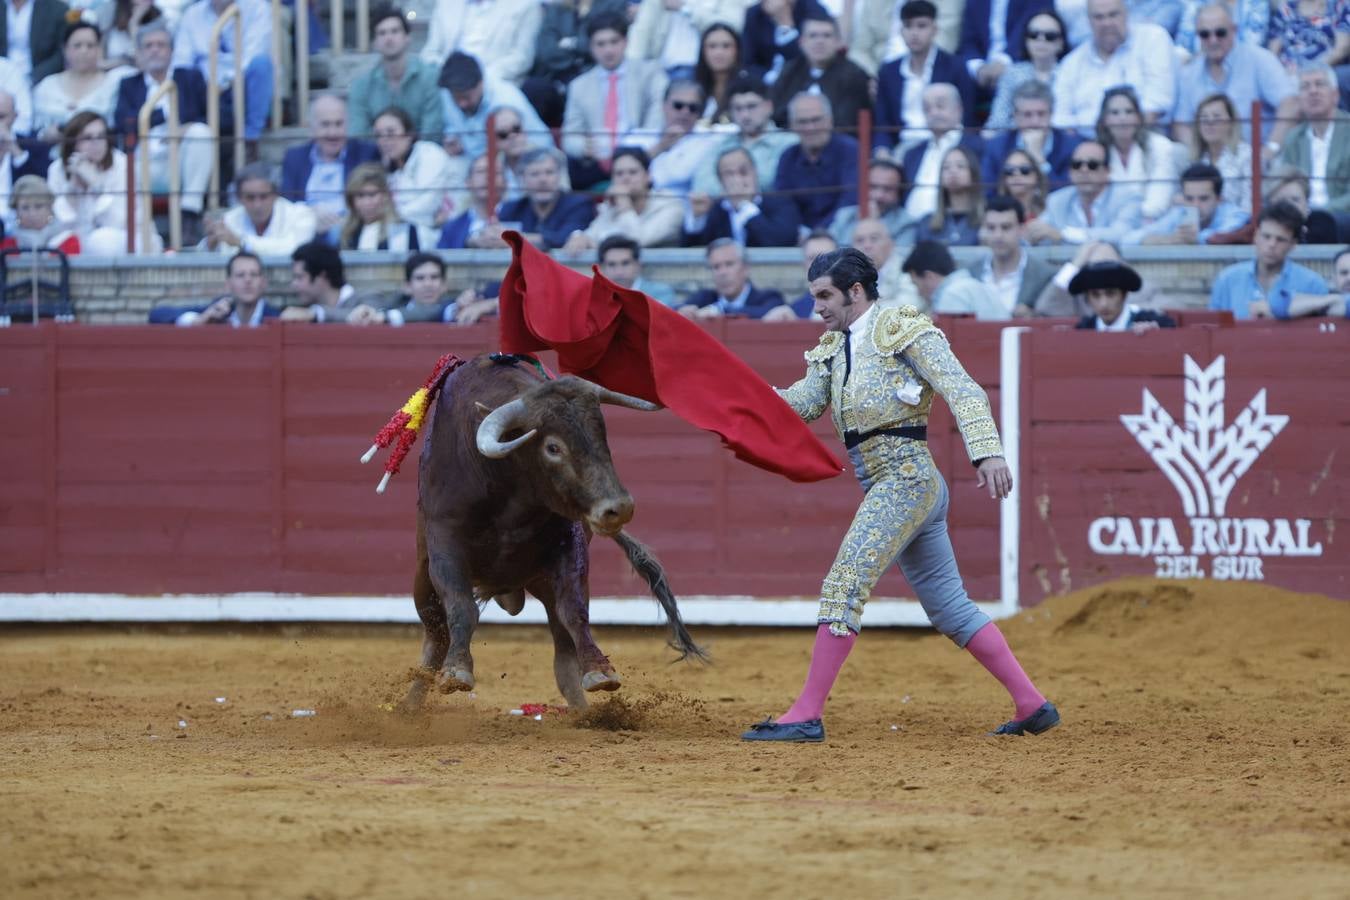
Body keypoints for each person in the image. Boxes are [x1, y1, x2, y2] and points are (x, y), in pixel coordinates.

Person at [741, 246, 1056, 743]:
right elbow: (799, 406)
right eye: (813, 297)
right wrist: (738, 398)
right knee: (951, 609)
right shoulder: (833, 347)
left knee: (845, 582)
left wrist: (988, 453)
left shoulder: (902, 328)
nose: (817, 307)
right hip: (897, 485)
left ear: (856, 291)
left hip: (905, 481)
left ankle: (806, 712)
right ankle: (1030, 702)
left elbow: (963, 388)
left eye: (825, 296)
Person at [112, 21, 213, 242]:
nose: (155, 50)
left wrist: (184, 129)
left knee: (201, 132)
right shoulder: (129, 85)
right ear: (139, 53)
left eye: (161, 44)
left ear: (171, 51)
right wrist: (161, 118)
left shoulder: (189, 78)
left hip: (182, 160)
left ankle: (188, 215)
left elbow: (214, 117)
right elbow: (123, 124)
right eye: (148, 46)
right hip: (144, 161)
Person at [560, 13, 668, 188]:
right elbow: (570, 136)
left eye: (614, 42)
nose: (608, 50)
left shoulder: (650, 73)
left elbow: (656, 120)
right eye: (600, 44)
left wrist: (633, 150)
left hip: (642, 155)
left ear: (625, 42)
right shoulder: (579, 86)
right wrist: (584, 147)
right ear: (591, 47)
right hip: (597, 160)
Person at [1171, 4, 1298, 151]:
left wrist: (1271, 148)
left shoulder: (1259, 59)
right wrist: (1198, 155)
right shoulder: (1189, 72)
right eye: (1205, 34)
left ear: (1234, 30)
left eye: (1220, 33)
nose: (1213, 40)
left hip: (1256, 159)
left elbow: (1290, 103)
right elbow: (1181, 124)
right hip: (1210, 163)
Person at [1052, 0, 1176, 136]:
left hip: (1145, 137)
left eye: (1113, 15)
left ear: (1127, 14)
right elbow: (1061, 119)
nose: (1106, 23)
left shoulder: (1153, 39)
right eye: (1099, 17)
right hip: (1088, 147)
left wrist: (1119, 140)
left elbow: (1157, 103)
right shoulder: (1072, 63)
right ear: (1088, 20)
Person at [871, 0, 977, 153]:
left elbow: (967, 117)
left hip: (947, 145)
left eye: (921, 26)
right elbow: (883, 123)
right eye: (908, 26)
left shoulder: (955, 67)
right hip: (902, 148)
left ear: (934, 29)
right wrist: (882, 151)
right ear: (901, 31)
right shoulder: (888, 72)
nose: (914, 33)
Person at [47, 110, 153, 253]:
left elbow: (116, 222)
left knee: (101, 240)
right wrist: (73, 187)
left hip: (133, 240)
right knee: (54, 245)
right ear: (73, 143)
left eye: (101, 136)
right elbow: (56, 226)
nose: (96, 143)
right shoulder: (57, 169)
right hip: (84, 240)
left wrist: (97, 185)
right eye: (88, 138)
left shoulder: (123, 165)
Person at [173, 0, 274, 142]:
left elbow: (254, 53)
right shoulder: (192, 14)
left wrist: (224, 83)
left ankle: (250, 139)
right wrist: (207, 84)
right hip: (205, 87)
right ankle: (192, 131)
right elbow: (182, 59)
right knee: (182, 73)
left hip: (239, 84)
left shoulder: (258, 7)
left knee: (262, 65)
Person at [279, 94, 380, 237]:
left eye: (339, 124)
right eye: (325, 124)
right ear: (312, 128)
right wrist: (309, 214)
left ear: (348, 125)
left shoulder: (365, 153)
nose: (333, 133)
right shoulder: (295, 157)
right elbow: (286, 203)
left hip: (351, 229)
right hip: (305, 229)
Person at [1210, 201, 1331, 319]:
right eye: (1266, 236)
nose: (1271, 244)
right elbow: (1213, 331)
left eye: (1280, 239)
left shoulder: (1312, 285)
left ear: (1293, 244)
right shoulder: (1227, 280)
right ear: (1256, 236)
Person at [520, 0, 629, 128]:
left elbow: (599, 43)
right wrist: (578, 53)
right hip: (558, 81)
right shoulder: (557, 9)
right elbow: (546, 51)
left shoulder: (613, 4)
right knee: (534, 88)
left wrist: (567, 44)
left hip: (592, 77)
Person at [690, 76, 799, 197]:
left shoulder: (789, 143)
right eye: (738, 108)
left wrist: (730, 189)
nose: (745, 115)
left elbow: (777, 183)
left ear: (769, 107)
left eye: (751, 106)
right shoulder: (722, 145)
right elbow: (701, 184)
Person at [347, 6, 444, 140]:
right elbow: (359, 136)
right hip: (377, 157)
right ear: (374, 43)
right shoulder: (361, 86)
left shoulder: (430, 78)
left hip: (421, 156)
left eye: (395, 31)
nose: (389, 38)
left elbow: (432, 133)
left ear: (407, 38)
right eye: (382, 33)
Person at [439, 51, 549, 166]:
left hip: (524, 164)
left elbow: (539, 148)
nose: (462, 104)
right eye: (456, 98)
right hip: (470, 162)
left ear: (481, 83)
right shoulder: (448, 92)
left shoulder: (505, 100)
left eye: (466, 97)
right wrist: (452, 138)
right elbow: (452, 126)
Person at [563, 146, 682, 253]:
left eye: (633, 172)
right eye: (619, 174)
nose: (626, 178)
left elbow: (638, 241)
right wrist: (580, 237)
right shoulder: (614, 206)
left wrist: (625, 206)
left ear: (648, 176)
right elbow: (593, 235)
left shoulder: (671, 205)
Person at [32, 20, 133, 142]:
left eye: (90, 45)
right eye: (77, 45)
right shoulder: (47, 86)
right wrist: (46, 134)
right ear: (65, 49)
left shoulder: (115, 83)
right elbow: (35, 130)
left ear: (99, 49)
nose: (83, 51)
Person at [1028, 138, 1143, 244]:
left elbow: (1121, 234)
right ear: (1070, 172)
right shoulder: (1057, 200)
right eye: (1077, 165)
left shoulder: (1129, 198)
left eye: (1092, 165)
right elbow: (1042, 234)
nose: (1084, 170)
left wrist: (1064, 235)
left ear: (1108, 171)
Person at [768, 13, 871, 131]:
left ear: (838, 42)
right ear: (801, 42)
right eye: (813, 36)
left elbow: (848, 121)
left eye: (826, 36)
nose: (820, 41)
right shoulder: (789, 71)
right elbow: (777, 114)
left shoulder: (854, 75)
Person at [372, 105, 457, 248]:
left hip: (440, 234)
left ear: (409, 134)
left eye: (391, 132)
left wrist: (390, 216)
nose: (384, 140)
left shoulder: (430, 154)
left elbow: (427, 206)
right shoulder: (385, 167)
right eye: (379, 135)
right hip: (401, 231)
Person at [683, 145, 801, 247]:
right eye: (729, 174)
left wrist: (745, 207)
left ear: (755, 173)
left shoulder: (781, 202)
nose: (738, 180)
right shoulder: (715, 209)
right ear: (720, 181)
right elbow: (691, 247)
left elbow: (782, 243)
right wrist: (697, 218)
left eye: (743, 172)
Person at [773, 92, 857, 229]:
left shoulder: (851, 151)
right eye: (802, 122)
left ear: (830, 121)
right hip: (798, 238)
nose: (810, 128)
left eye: (816, 120)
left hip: (841, 235)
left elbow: (849, 203)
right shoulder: (788, 157)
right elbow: (782, 204)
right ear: (792, 125)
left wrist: (818, 234)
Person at [963, 196, 1057, 318]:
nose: (998, 235)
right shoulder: (970, 273)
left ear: (1022, 229)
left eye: (1006, 227)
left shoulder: (1045, 275)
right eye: (991, 228)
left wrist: (1034, 316)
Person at [981, 79, 1081, 192]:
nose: (1035, 122)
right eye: (1027, 115)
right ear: (1015, 116)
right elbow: (989, 193)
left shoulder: (1071, 147)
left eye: (1041, 114)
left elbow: (1067, 196)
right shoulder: (997, 147)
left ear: (1051, 114)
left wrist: (1040, 161)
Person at [901, 83, 983, 221]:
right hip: (909, 227)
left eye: (940, 106)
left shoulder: (978, 147)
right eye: (927, 109)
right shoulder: (912, 154)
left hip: (957, 224)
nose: (933, 113)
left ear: (958, 110)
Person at [1276, 63, 1350, 214]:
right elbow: (1283, 186)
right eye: (1305, 87)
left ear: (1335, 95)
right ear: (1299, 100)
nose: (1313, 91)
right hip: (1299, 219)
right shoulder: (1293, 138)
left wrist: (1318, 214)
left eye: (1320, 84)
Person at [1096, 85, 1177, 221]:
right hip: (1111, 224)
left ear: (1139, 118)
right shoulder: (1097, 152)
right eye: (1115, 113)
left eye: (1129, 112)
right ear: (1105, 120)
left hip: (1153, 221)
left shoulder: (1160, 146)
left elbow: (1159, 196)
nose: (1122, 118)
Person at [202, 162, 317, 256]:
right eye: (250, 198)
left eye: (263, 196)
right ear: (239, 198)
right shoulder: (229, 220)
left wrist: (242, 243)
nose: (257, 205)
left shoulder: (301, 215)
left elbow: (295, 249)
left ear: (276, 194)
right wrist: (211, 245)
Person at [984, 8, 1069, 134]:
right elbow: (997, 122)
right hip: (1015, 145)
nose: (1041, 40)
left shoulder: (1070, 73)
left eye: (1049, 36)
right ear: (1026, 40)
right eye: (1034, 35)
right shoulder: (1012, 74)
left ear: (1061, 43)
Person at [418, 0, 542, 86]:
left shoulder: (525, 4)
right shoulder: (446, 4)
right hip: (447, 81)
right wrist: (450, 74)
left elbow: (522, 57)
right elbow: (430, 52)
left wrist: (478, 78)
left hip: (497, 82)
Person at [497, 147, 595, 251]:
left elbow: (565, 238)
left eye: (549, 172)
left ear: (559, 176)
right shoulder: (511, 209)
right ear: (522, 179)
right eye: (534, 174)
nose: (543, 180)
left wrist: (514, 238)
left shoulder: (579, 205)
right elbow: (498, 238)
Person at [149, 251, 281, 326]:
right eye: (240, 275)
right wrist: (197, 321)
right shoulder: (218, 311)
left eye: (254, 275)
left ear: (263, 283)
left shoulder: (276, 316)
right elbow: (157, 315)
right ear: (228, 284)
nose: (248, 280)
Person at [1127, 162, 1249, 244]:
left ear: (1219, 199)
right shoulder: (1180, 213)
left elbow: (1222, 237)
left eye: (1203, 198)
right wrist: (1169, 239)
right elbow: (1130, 239)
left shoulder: (1236, 216)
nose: (1195, 205)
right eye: (1189, 199)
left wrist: (1193, 238)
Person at [640, 80, 723, 196]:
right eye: (678, 106)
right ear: (664, 106)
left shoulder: (708, 143)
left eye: (693, 108)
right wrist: (660, 147)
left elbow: (678, 174)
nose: (685, 112)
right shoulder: (638, 138)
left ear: (700, 113)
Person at [626, 0, 748, 77]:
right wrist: (631, 68)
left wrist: (685, 9)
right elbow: (642, 31)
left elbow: (732, 27)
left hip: (703, 70)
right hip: (660, 68)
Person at [680, 237, 795, 319]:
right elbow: (676, 309)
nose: (722, 273)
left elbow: (769, 312)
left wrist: (720, 311)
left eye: (729, 264)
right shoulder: (706, 298)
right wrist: (686, 312)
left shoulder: (769, 297)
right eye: (716, 267)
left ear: (745, 268)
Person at [956, 0, 1054, 95]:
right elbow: (967, 41)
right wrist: (978, 68)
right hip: (981, 69)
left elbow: (1029, 28)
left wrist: (1003, 61)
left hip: (1020, 60)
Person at [347, 252, 469, 325]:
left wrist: (383, 317)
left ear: (444, 285)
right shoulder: (393, 306)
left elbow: (432, 312)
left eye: (434, 277)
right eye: (420, 278)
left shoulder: (450, 309)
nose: (428, 284)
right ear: (407, 286)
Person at [282, 240, 383, 323]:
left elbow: (367, 316)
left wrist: (316, 313)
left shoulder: (368, 298)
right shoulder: (308, 310)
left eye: (300, 277)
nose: (293, 284)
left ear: (322, 276)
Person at [1187, 93, 1255, 213]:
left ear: (1231, 122)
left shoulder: (1247, 155)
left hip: (1236, 226)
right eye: (1204, 118)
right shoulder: (1195, 160)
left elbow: (1249, 207)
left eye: (1216, 117)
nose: (1209, 122)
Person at [827, 158, 917, 246]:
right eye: (873, 187)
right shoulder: (844, 215)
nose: (879, 195)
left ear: (899, 193)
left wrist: (874, 224)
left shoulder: (906, 223)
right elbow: (828, 252)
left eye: (888, 189)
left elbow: (899, 258)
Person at [1071, 259, 1177, 331]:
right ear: (1088, 299)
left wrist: (1155, 329)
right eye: (1095, 295)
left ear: (1124, 295)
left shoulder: (1145, 319)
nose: (1104, 304)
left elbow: (1170, 325)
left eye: (1111, 294)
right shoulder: (1085, 327)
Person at [336, 163, 420, 252]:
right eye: (360, 196)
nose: (366, 203)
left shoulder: (402, 230)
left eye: (372, 195)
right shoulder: (346, 233)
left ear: (386, 196)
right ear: (351, 200)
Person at [903, 237, 998, 316]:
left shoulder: (952, 295)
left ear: (929, 277)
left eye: (916, 284)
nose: (918, 293)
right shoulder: (969, 286)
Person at [742, 0, 831, 82]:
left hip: (801, 83)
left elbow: (809, 58)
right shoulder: (754, 14)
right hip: (764, 83)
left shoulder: (814, 10)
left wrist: (784, 21)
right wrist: (770, 78)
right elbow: (748, 61)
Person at [692, 23, 763, 125]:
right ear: (703, 51)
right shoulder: (693, 86)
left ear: (738, 50)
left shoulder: (753, 85)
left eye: (726, 46)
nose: (719, 52)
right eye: (712, 46)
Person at [0, 90, 49, 234]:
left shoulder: (34, 147)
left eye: (1, 117)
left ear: (14, 117)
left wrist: (15, 151)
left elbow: (41, 186)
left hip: (25, 226)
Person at [914, 144, 983, 246]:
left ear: (973, 174)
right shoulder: (926, 223)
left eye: (960, 166)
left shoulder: (988, 221)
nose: (953, 171)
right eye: (946, 167)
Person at [436, 152, 505, 249]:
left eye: (496, 172)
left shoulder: (522, 214)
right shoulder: (452, 228)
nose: (488, 177)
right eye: (480, 172)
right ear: (468, 182)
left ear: (506, 182)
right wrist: (468, 242)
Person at [1, 173, 79, 252]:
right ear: (16, 212)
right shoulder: (7, 245)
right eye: (25, 208)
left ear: (50, 209)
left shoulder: (67, 240)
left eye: (38, 206)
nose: (32, 214)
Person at [596, 233, 677, 307]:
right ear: (601, 268)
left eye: (625, 263)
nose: (619, 271)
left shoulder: (660, 292)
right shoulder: (594, 296)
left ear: (638, 264)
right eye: (611, 264)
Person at [0, 0, 69, 84]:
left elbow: (62, 52)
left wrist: (33, 77)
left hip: (42, 79)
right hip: (3, 77)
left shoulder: (57, 9)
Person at [1175, 0, 1270, 58]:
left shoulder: (1256, 2)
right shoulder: (1197, 2)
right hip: (1198, 68)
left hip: (1242, 71)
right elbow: (1182, 46)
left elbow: (1252, 47)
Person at [98, 0, 163, 69]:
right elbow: (100, 63)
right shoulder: (110, 10)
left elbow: (143, 65)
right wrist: (124, 61)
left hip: (138, 76)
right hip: (111, 75)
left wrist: (133, 24)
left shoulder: (157, 18)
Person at [789, 228, 837, 316]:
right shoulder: (793, 313)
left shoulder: (857, 308)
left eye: (825, 258)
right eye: (812, 258)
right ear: (804, 265)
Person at [995, 147, 1050, 219]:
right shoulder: (994, 214)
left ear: (1037, 175)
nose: (1016, 174)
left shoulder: (1050, 210)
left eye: (1024, 170)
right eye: (1009, 171)